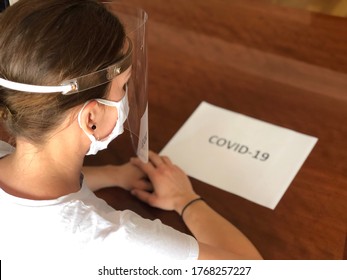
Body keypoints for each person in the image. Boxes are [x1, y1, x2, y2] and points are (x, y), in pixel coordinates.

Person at [0, 0, 262, 260]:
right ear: (91, 118)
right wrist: (185, 199)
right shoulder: (115, 241)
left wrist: (114, 174)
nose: (125, 95)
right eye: (123, 86)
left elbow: (39, 183)